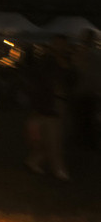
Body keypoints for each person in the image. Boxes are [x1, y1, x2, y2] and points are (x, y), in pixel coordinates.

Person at [25, 35, 75, 180]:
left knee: (51, 137)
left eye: (63, 45)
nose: (61, 48)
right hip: (49, 104)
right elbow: (42, 83)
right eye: (58, 44)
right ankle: (58, 169)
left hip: (56, 103)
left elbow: (71, 81)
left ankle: (34, 161)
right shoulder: (47, 62)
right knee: (54, 137)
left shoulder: (64, 62)